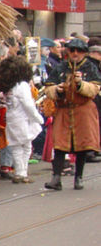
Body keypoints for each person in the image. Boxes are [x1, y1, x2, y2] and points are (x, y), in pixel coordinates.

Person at [42, 38, 101, 190]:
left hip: (83, 110)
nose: (75, 53)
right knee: (60, 145)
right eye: (72, 50)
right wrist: (58, 90)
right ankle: (56, 178)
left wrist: (81, 84)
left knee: (82, 145)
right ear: (68, 51)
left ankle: (79, 177)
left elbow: (95, 89)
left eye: (79, 50)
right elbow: (48, 88)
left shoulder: (90, 67)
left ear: (84, 53)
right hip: (64, 109)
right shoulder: (61, 67)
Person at [0, 55, 43, 184]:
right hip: (23, 119)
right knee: (27, 146)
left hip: (11, 119)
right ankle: (23, 172)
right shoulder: (22, 85)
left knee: (16, 147)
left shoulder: (7, 86)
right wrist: (38, 118)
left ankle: (19, 172)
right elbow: (28, 104)